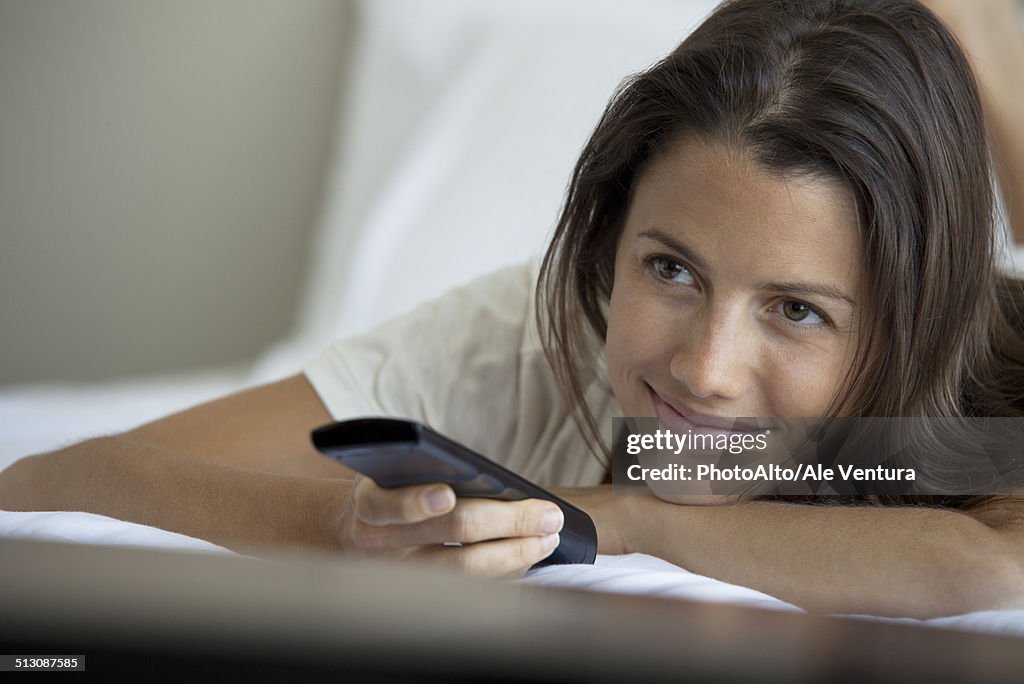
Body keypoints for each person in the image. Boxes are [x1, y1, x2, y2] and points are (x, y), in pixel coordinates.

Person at [2, 0, 1024, 619]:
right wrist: (344, 528)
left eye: (795, 310)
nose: (705, 369)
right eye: (668, 269)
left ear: (905, 318)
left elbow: (992, 567)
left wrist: (620, 516)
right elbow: (56, 479)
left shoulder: (980, 373)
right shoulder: (525, 339)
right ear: (605, 239)